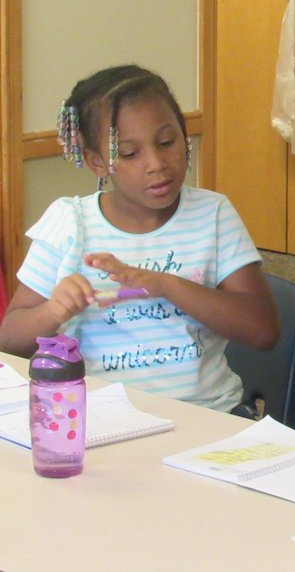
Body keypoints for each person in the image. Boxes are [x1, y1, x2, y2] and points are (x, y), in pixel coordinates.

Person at [0, 65, 280, 413]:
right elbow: (9, 340)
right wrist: (53, 311)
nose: (157, 163)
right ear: (97, 162)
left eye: (167, 142)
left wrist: (167, 286)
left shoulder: (213, 214)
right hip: (100, 417)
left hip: (208, 416)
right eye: (130, 153)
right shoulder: (70, 223)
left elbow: (263, 330)